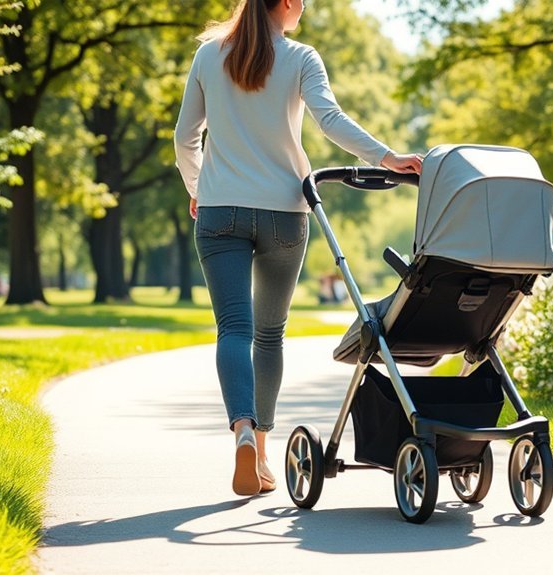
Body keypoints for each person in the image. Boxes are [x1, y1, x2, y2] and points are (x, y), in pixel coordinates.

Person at [173, 0, 422, 496]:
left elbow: (186, 138)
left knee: (233, 329)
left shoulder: (208, 56)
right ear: (286, 3)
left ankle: (243, 433)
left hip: (220, 211)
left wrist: (198, 188)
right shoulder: (302, 58)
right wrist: (388, 158)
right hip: (286, 211)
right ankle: (262, 449)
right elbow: (330, 120)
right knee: (269, 334)